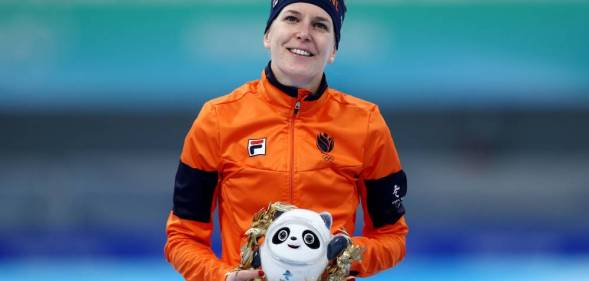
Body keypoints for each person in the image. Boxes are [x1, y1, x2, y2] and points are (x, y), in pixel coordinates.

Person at [164, 0, 408, 280]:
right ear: (267, 36)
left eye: (320, 25)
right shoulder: (217, 119)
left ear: (334, 51)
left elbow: (393, 236)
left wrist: (346, 255)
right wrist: (223, 277)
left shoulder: (366, 123)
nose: (304, 32)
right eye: (292, 18)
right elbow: (182, 236)